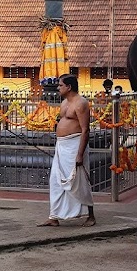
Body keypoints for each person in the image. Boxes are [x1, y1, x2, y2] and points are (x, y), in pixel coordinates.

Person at [39, 74, 96, 227]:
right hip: (61, 146)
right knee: (56, 180)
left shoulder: (81, 103)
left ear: (69, 87)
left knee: (79, 180)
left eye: (60, 85)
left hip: (75, 145)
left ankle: (90, 216)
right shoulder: (64, 103)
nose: (58, 88)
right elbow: (63, 121)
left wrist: (79, 154)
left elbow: (85, 130)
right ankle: (54, 216)